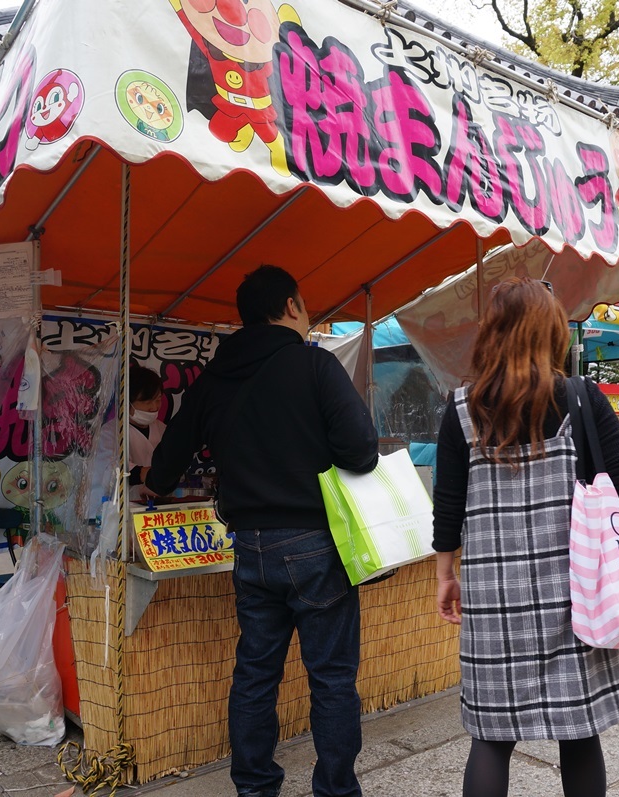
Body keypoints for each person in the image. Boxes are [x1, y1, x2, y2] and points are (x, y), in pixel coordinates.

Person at [146, 265, 378, 797]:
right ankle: (337, 791)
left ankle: (254, 789)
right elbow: (362, 452)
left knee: (255, 675)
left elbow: (167, 464)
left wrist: (151, 486)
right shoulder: (314, 364)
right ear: (293, 306)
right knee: (332, 679)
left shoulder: (213, 380)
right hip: (316, 545)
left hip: (249, 546)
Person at [431, 278, 619, 797]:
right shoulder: (579, 397)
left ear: (493, 333)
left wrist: (445, 574)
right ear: (552, 332)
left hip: (494, 597)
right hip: (575, 593)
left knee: (492, 736)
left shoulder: (462, 407)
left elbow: (448, 505)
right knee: (579, 731)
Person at [127, 363, 166, 502]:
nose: (154, 408)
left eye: (158, 400)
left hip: (161, 507)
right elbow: (109, 470)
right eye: (147, 402)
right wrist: (145, 474)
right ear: (127, 402)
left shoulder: (162, 429)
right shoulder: (111, 433)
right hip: (125, 508)